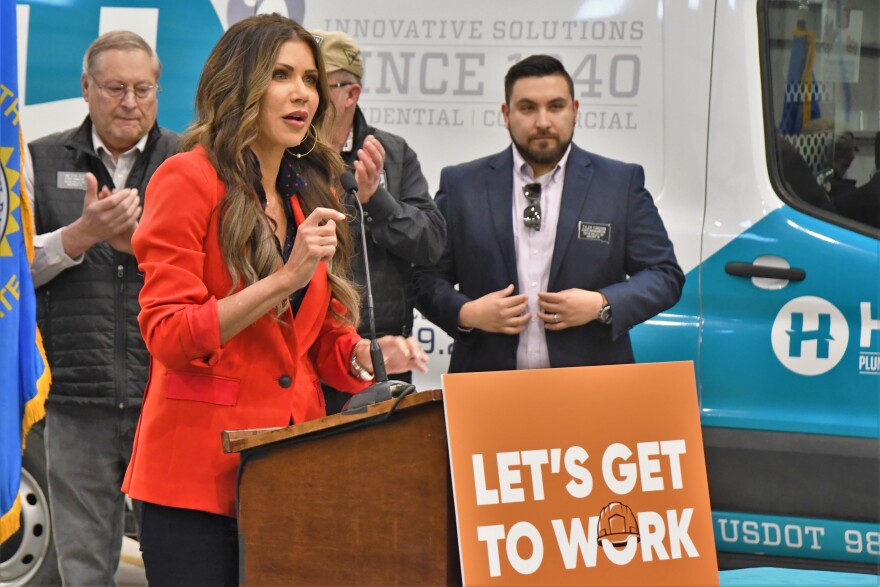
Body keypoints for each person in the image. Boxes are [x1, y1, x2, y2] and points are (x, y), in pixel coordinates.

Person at [121, 15, 427, 585]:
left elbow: (317, 338)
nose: (303, 94)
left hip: (293, 469)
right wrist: (283, 279)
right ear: (239, 84)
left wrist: (362, 352)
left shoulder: (308, 187)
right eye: (281, 75)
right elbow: (169, 334)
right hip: (195, 478)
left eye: (311, 79)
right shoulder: (184, 178)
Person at [415, 55, 684, 373]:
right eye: (528, 108)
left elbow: (664, 275)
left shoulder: (619, 183)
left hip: (591, 388)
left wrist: (600, 304)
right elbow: (424, 277)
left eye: (555, 106)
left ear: (575, 110)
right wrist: (467, 313)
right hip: (486, 390)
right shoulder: (462, 185)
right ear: (506, 114)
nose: (543, 121)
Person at [26, 30, 178, 585]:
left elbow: (214, 275)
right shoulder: (39, 161)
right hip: (75, 400)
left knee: (176, 567)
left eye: (144, 89)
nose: (130, 102)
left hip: (168, 399)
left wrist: (142, 245)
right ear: (86, 88)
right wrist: (78, 235)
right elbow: (14, 275)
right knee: (84, 571)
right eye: (116, 88)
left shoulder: (188, 162)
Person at [309, 29, 446, 412]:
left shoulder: (393, 154)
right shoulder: (286, 153)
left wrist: (377, 202)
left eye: (316, 82)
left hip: (383, 357)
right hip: (304, 357)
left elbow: (432, 243)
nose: (304, 94)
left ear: (350, 94)